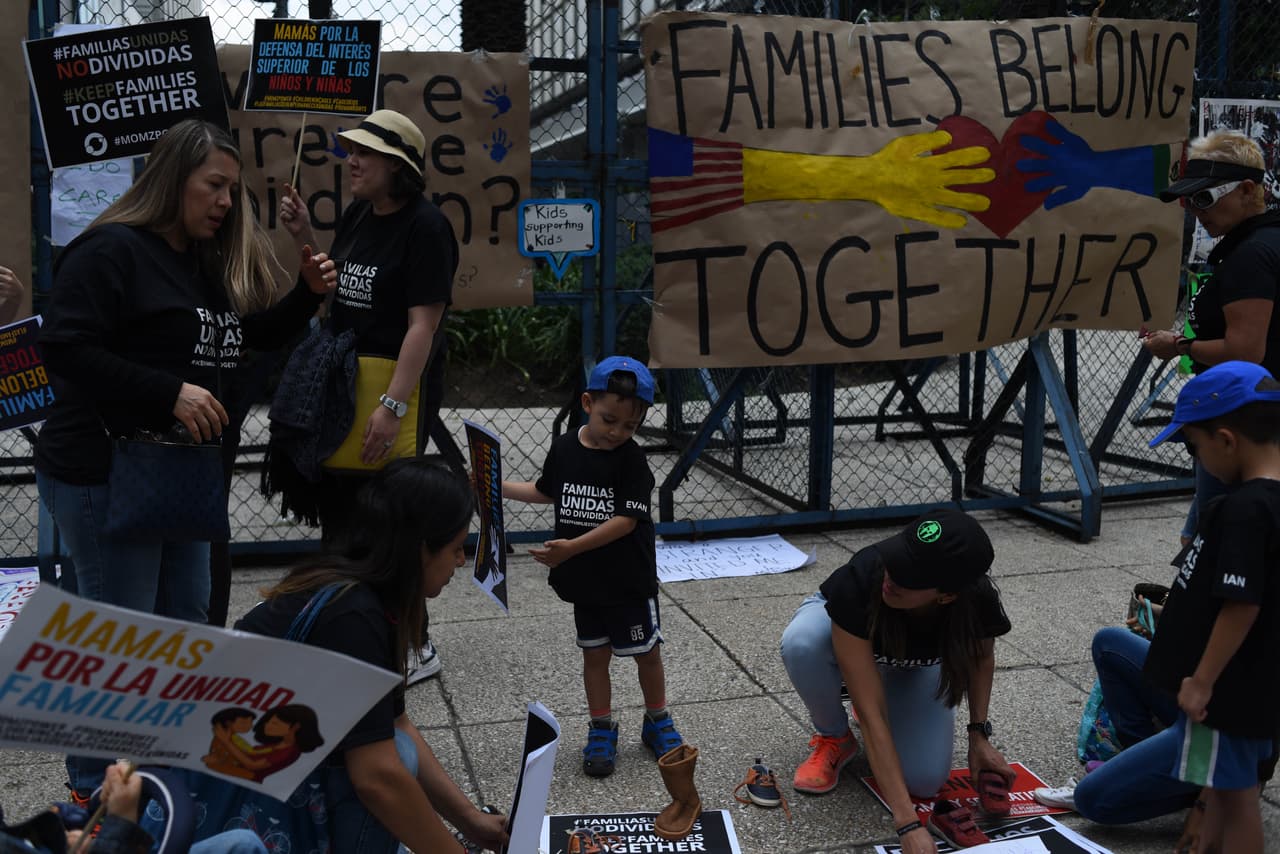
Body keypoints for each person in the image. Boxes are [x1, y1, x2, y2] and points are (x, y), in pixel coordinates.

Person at [34, 118, 334, 802]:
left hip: (176, 476)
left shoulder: (196, 260)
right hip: (103, 472)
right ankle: (94, 792)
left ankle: (164, 777)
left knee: (186, 627)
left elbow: (238, 339)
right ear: (174, 179)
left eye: (232, 189)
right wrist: (167, 392)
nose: (227, 202)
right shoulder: (109, 252)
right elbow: (68, 348)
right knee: (125, 644)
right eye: (214, 186)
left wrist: (305, 299)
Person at [235, 459, 507, 853]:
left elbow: (396, 721)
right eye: (455, 548)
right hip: (246, 794)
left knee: (399, 747)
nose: (462, 561)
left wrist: (469, 819)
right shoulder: (353, 616)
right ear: (419, 548)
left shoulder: (363, 593)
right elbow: (376, 776)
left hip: (272, 771)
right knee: (392, 759)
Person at [276, 108, 457, 683]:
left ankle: (412, 646)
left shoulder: (426, 227)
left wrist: (393, 407)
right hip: (344, 388)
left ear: (398, 166)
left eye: (365, 153)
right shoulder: (359, 213)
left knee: (389, 521)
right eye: (350, 150)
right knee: (341, 512)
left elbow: (422, 325)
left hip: (387, 392)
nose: (350, 160)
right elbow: (337, 292)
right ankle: (351, 634)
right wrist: (304, 233)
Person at [1074, 361, 1280, 852]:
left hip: (1224, 693)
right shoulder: (1259, 504)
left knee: (1236, 798)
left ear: (1227, 440)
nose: (1197, 459)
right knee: (1225, 790)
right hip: (1237, 687)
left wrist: (1201, 679)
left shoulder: (1247, 510)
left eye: (1194, 447)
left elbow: (1242, 604)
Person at [780, 509, 1014, 853]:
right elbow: (871, 712)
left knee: (925, 782)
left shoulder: (976, 600)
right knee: (802, 642)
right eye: (897, 559)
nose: (890, 576)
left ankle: (896, 698)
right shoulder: (862, 580)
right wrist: (907, 824)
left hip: (913, 664)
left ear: (946, 596)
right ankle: (835, 736)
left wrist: (978, 736)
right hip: (850, 638)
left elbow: (980, 658)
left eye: (909, 576)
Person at [501, 356, 685, 777]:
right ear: (586, 402)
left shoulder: (631, 460)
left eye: (630, 426)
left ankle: (657, 719)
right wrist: (496, 486)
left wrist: (571, 548)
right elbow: (547, 490)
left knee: (647, 654)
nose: (618, 432)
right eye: (609, 420)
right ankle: (601, 726)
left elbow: (625, 521)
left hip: (627, 580)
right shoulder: (565, 447)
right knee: (595, 655)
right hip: (585, 583)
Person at [1143, 130, 1280, 545]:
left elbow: (1245, 351)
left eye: (1204, 198)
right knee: (1203, 539)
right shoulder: (1264, 240)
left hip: (1242, 422)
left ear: (1245, 191)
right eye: (1189, 199)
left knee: (1211, 548)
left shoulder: (1252, 253)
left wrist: (1178, 346)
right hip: (1256, 419)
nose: (1195, 210)